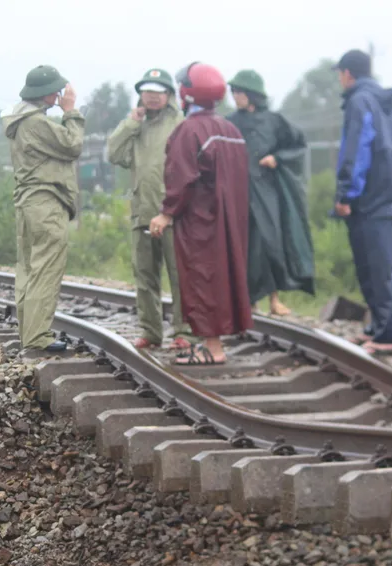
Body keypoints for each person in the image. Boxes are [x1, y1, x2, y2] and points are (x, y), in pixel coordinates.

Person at [149, 62, 252, 366]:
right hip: (230, 219)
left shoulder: (190, 130)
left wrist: (166, 213)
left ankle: (212, 347)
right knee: (222, 277)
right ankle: (214, 343)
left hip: (200, 222)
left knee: (202, 278)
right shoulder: (230, 129)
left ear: (186, 93)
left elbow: (181, 176)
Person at [107, 68, 194, 352]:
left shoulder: (181, 124)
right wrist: (131, 123)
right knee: (144, 276)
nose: (152, 97)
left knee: (180, 275)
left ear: (168, 95)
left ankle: (184, 330)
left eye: (158, 92)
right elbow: (113, 154)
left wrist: (174, 209)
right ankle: (151, 330)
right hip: (142, 211)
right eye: (147, 92)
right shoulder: (136, 125)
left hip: (174, 213)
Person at [2, 65, 84, 355]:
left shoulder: (21, 120)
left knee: (28, 268)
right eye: (56, 91)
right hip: (46, 201)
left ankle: (30, 331)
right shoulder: (36, 122)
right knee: (46, 268)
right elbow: (73, 145)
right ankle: (38, 336)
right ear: (46, 93)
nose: (60, 94)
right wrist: (71, 111)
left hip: (28, 201)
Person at [332, 49, 392, 356]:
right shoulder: (388, 105)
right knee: (376, 265)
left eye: (340, 74)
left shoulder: (359, 102)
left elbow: (357, 149)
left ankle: (386, 332)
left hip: (366, 199)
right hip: (384, 194)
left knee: (375, 267)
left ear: (348, 74)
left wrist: (346, 193)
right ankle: (377, 326)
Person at [227, 69, 315, 316]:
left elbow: (298, 145)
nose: (235, 96)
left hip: (268, 193)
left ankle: (274, 300)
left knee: (270, 244)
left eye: (240, 91)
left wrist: (277, 158)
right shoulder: (230, 122)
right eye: (233, 91)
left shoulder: (275, 121)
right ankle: (249, 302)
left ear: (253, 94)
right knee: (244, 247)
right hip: (239, 194)